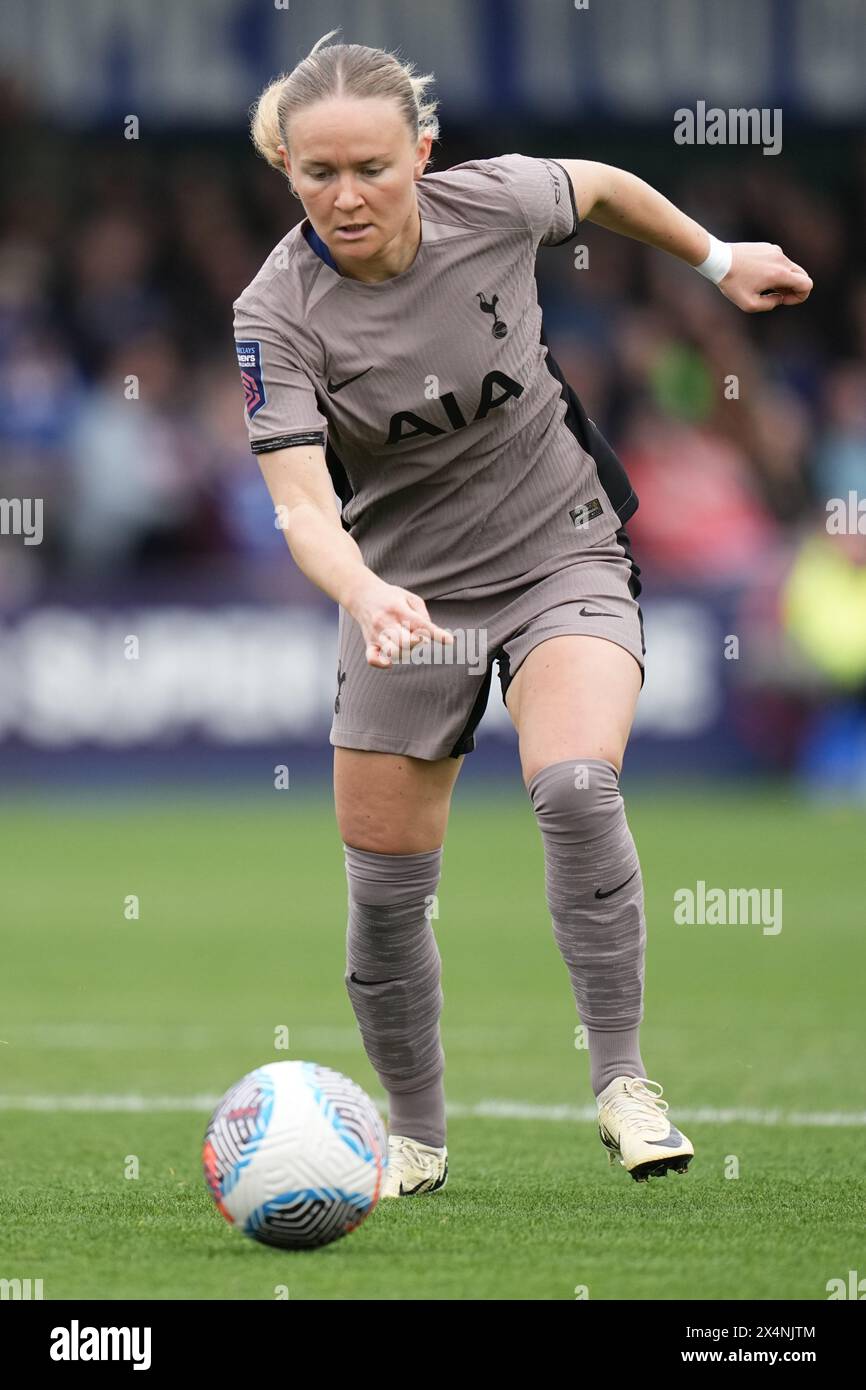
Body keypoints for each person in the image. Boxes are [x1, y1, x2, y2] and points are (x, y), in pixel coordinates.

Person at [233, 28, 812, 1193]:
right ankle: (413, 1136)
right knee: (387, 897)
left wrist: (714, 257)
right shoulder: (273, 314)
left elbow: (595, 187)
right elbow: (300, 508)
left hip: (561, 549)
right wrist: (364, 593)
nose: (346, 196)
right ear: (287, 171)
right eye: (318, 174)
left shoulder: (493, 203)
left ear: (423, 154)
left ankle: (623, 1083)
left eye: (372, 169)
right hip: (400, 591)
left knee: (572, 782)